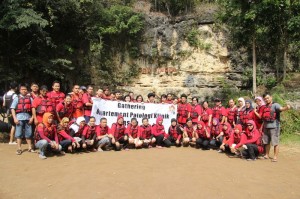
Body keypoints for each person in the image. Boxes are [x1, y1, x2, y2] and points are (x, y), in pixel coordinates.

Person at [262, 93, 290, 162]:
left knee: (275, 142)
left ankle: (275, 157)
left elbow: (281, 108)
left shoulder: (275, 105)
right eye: (265, 99)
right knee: (266, 142)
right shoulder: (265, 106)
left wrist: (286, 108)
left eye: (267, 98)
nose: (266, 100)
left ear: (271, 97)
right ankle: (267, 155)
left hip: (274, 127)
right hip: (266, 126)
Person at [10, 84, 35, 155]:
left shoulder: (30, 98)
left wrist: (32, 118)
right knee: (19, 133)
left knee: (29, 133)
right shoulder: (16, 98)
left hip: (28, 117)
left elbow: (33, 109)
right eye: (22, 89)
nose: (24, 91)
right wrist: (15, 118)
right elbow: (12, 109)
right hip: (19, 118)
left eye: (25, 89)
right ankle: (19, 148)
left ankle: (30, 147)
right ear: (20, 90)